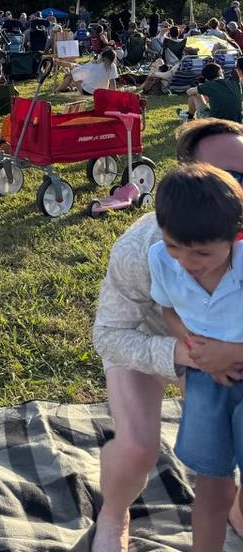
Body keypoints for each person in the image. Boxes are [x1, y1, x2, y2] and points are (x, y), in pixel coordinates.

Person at [91, 118, 243, 552]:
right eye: (222, 177)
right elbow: (111, 335)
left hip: (231, 353)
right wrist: (188, 353)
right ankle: (113, 514)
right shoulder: (143, 249)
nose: (232, 189)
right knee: (138, 448)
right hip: (151, 342)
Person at [148, 164, 243, 552]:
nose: (187, 260)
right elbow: (168, 311)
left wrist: (232, 353)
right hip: (206, 379)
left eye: (203, 252)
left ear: (236, 236)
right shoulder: (161, 259)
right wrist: (196, 348)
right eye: (175, 246)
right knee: (210, 484)